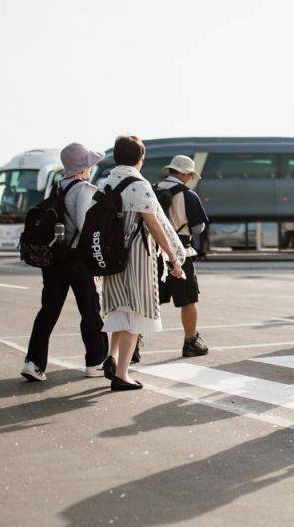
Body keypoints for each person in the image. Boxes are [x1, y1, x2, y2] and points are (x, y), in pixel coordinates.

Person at [98, 135, 187, 391]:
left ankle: (112, 357)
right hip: (136, 256)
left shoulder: (106, 183)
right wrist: (172, 257)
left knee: (119, 309)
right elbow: (154, 223)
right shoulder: (138, 185)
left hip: (111, 257)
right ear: (140, 158)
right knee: (135, 312)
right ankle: (122, 375)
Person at [20, 144, 110, 383]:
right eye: (89, 165)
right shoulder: (84, 189)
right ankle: (95, 361)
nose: (91, 169)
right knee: (89, 310)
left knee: (48, 311)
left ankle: (33, 362)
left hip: (52, 260)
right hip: (76, 260)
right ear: (82, 168)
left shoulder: (57, 187)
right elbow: (84, 226)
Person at [156, 155, 212, 358]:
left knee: (148, 300)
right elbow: (197, 227)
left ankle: (133, 345)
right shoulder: (188, 195)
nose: (190, 178)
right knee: (188, 299)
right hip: (181, 252)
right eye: (189, 174)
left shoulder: (151, 190)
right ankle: (190, 341)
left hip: (153, 252)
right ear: (183, 173)